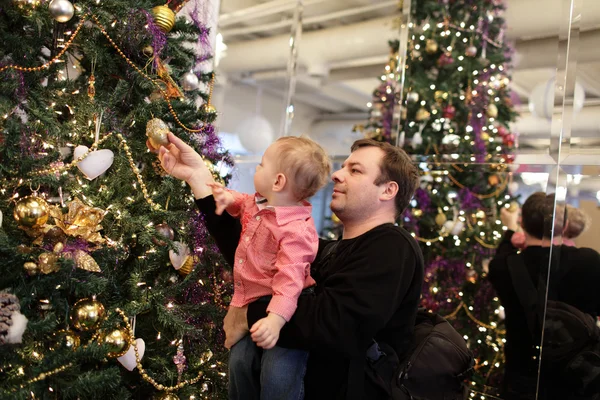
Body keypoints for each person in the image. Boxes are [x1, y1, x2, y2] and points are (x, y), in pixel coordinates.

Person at [154, 133, 424, 399]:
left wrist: (248, 314)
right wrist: (197, 177)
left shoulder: (392, 245)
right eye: (343, 167)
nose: (337, 175)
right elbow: (254, 256)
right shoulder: (324, 249)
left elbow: (335, 323)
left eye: (355, 170)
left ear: (388, 190)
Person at [207, 136, 330, 399]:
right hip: (252, 299)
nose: (256, 169)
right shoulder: (263, 201)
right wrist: (227, 197)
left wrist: (275, 320)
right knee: (240, 362)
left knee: (277, 373)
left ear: (278, 181)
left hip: (286, 304)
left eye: (262, 165)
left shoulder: (296, 231)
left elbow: (290, 282)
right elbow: (244, 202)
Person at [489, 192, 600, 400]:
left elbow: (499, 259)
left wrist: (510, 229)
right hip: (579, 376)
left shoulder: (504, 266)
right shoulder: (589, 261)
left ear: (522, 222)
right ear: (565, 225)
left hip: (523, 378)